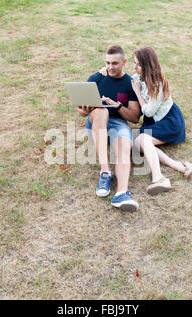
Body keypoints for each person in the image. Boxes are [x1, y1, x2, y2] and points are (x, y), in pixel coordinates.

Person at [100, 47, 192, 195]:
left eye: (138, 64)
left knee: (143, 140)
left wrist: (138, 93)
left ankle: (159, 178)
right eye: (134, 63)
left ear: (147, 65)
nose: (135, 67)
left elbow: (148, 111)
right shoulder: (138, 77)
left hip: (168, 121)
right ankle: (182, 167)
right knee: (138, 143)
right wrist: (106, 71)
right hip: (153, 122)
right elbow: (125, 78)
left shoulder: (158, 84)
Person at [77, 45, 141, 212]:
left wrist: (118, 106)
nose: (110, 67)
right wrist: (84, 110)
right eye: (107, 63)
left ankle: (121, 193)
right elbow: (80, 111)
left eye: (115, 63)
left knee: (124, 146)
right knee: (101, 111)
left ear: (124, 62)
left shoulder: (129, 83)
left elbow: (134, 118)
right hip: (97, 121)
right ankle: (105, 172)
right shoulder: (96, 78)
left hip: (119, 123)